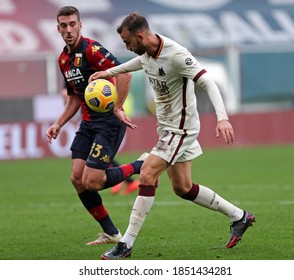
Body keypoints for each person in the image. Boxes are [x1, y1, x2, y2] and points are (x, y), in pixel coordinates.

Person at [90, 12, 256, 259]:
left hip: (181, 129)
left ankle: (125, 244)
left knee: (146, 175)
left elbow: (207, 82)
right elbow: (138, 64)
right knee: (183, 187)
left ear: (139, 36)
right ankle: (240, 217)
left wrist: (223, 118)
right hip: (168, 128)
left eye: (127, 42)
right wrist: (108, 73)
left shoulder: (177, 55)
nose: (126, 47)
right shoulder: (146, 54)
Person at [46, 6, 147, 246]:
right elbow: (73, 97)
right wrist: (58, 123)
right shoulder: (64, 59)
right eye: (64, 25)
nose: (68, 30)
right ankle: (111, 233)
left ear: (80, 25)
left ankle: (139, 165)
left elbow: (125, 75)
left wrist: (118, 107)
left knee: (92, 181)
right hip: (88, 123)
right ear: (58, 28)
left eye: (72, 24)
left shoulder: (92, 49)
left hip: (108, 123)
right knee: (77, 179)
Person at [61, 85, 139, 195]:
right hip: (91, 118)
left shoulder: (101, 76)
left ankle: (120, 177)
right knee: (94, 156)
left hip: (108, 116)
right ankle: (127, 181)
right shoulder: (68, 71)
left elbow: (68, 94)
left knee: (96, 157)